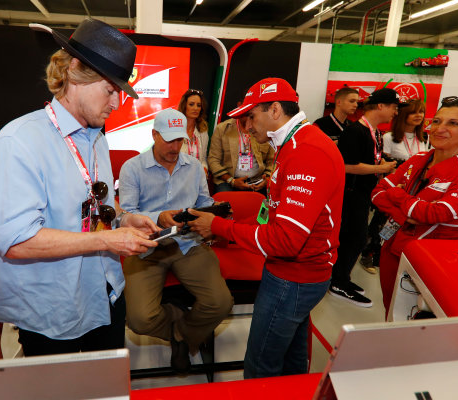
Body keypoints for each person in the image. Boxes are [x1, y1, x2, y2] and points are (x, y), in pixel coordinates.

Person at [0, 19, 159, 356]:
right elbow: (17, 241)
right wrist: (106, 239)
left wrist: (124, 220)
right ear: (76, 74)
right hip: (54, 310)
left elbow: (96, 199)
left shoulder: (97, 139)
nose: (117, 103)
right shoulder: (18, 142)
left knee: (105, 388)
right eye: (111, 90)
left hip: (105, 291)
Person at [188, 77, 345, 379]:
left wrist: (221, 227)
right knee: (291, 362)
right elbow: (271, 217)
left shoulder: (306, 151)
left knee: (261, 367)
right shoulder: (293, 145)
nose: (247, 127)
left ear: (275, 110)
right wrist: (224, 227)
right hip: (297, 275)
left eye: (251, 116)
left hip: (293, 279)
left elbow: (285, 240)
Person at [119, 108, 233, 374]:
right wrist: (158, 217)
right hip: (147, 247)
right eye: (168, 139)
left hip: (187, 243)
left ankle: (181, 336)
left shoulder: (194, 167)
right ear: (154, 134)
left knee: (220, 302)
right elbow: (124, 216)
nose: (174, 147)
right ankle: (181, 324)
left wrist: (216, 212)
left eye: (179, 140)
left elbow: (204, 203)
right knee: (138, 319)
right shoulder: (132, 168)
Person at [372, 95, 458, 316]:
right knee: (391, 313)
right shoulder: (417, 159)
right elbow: (377, 194)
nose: (439, 128)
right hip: (392, 249)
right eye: (437, 121)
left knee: (418, 323)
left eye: (453, 123)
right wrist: (409, 214)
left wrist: (397, 194)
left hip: (432, 260)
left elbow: (435, 213)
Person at [329, 88, 399, 308]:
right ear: (381, 106)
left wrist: (382, 163)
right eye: (394, 107)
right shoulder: (355, 131)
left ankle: (342, 279)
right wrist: (381, 167)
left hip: (363, 194)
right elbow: (347, 166)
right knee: (354, 239)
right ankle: (338, 281)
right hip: (351, 195)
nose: (395, 113)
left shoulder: (373, 132)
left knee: (356, 238)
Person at [360, 98, 428, 273]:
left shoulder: (425, 137)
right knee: (382, 223)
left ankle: (389, 256)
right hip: (393, 188)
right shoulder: (389, 137)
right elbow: (385, 165)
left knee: (405, 225)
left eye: (421, 112)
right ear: (404, 114)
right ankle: (369, 254)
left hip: (415, 191)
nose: (418, 116)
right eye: (414, 112)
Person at [207, 108, 274, 195]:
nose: (249, 122)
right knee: (225, 204)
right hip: (227, 180)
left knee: (262, 204)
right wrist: (232, 181)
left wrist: (267, 178)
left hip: (257, 180)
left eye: (252, 116)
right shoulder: (222, 129)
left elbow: (272, 160)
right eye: (247, 115)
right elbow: (213, 160)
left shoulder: (265, 129)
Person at [178, 89, 209, 172]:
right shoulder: (175, 128)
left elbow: (203, 159)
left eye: (198, 105)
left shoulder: (203, 130)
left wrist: (205, 169)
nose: (195, 108)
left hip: (196, 178)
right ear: (184, 106)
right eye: (191, 104)